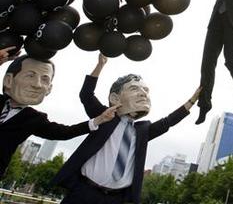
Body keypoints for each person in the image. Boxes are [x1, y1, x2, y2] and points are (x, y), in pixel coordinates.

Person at [51, 54, 202, 204]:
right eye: (134, 88)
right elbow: (86, 95)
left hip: (116, 199)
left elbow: (168, 122)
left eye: (146, 90)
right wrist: (100, 65)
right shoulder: (104, 117)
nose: (143, 93)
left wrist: (192, 100)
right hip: (84, 193)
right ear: (115, 98)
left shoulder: (142, 131)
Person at [0, 47, 116, 178]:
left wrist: (99, 120)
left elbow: (64, 132)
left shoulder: (34, 119)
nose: (37, 84)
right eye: (30, 75)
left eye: (44, 79)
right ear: (8, 80)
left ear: (49, 89)